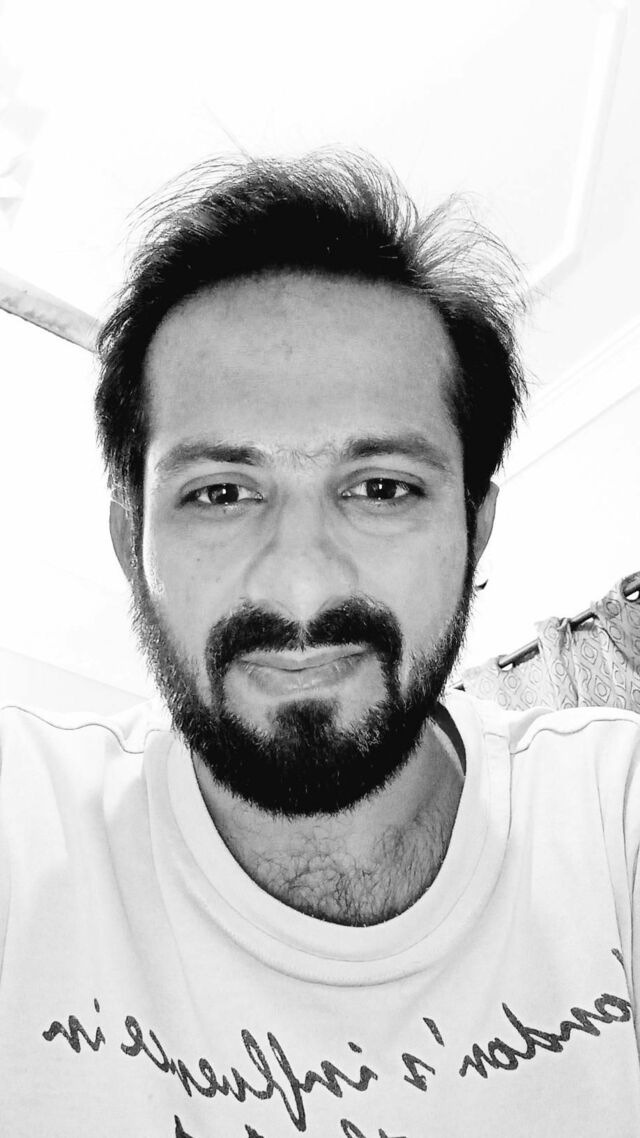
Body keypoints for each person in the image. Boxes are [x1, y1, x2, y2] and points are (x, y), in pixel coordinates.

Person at [0, 152, 638, 1138]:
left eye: (381, 487)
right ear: (132, 544)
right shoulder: (25, 822)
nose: (300, 584)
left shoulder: (610, 818)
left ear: (474, 531)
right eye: (221, 492)